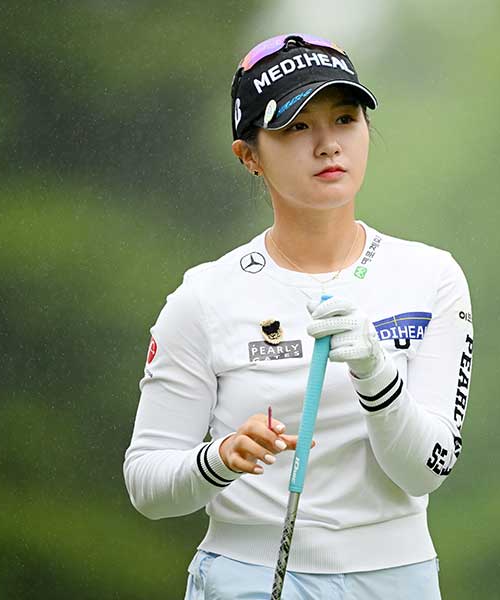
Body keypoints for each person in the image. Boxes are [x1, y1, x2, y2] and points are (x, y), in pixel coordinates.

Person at [123, 33, 474, 600]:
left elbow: (426, 470)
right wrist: (219, 460)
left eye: (345, 119)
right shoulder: (204, 296)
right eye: (296, 126)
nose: (328, 144)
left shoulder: (431, 276)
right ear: (249, 156)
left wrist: (375, 372)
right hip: (250, 576)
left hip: (397, 579)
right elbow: (147, 485)